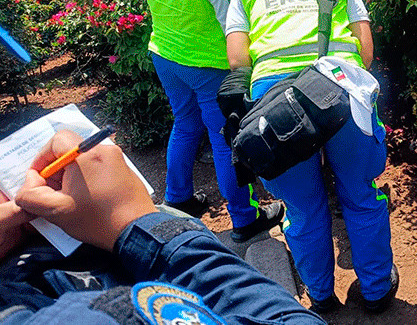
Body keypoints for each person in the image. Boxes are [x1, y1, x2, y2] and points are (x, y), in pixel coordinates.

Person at [225, 0, 398, 314]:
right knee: (361, 195)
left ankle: (321, 296)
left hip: (277, 109)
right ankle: (376, 290)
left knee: (302, 207)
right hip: (340, 89)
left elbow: (238, 59)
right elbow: (365, 53)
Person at [0, 129, 326, 324]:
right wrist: (138, 224)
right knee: (217, 135)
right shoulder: (100, 315)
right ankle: (243, 216)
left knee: (184, 125)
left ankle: (195, 200)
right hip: (201, 60)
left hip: (171, 55)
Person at [139, 0, 282, 243]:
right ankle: (245, 218)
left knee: (185, 126)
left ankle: (178, 200)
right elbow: (229, 16)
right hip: (207, 63)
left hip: (166, 55)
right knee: (224, 139)